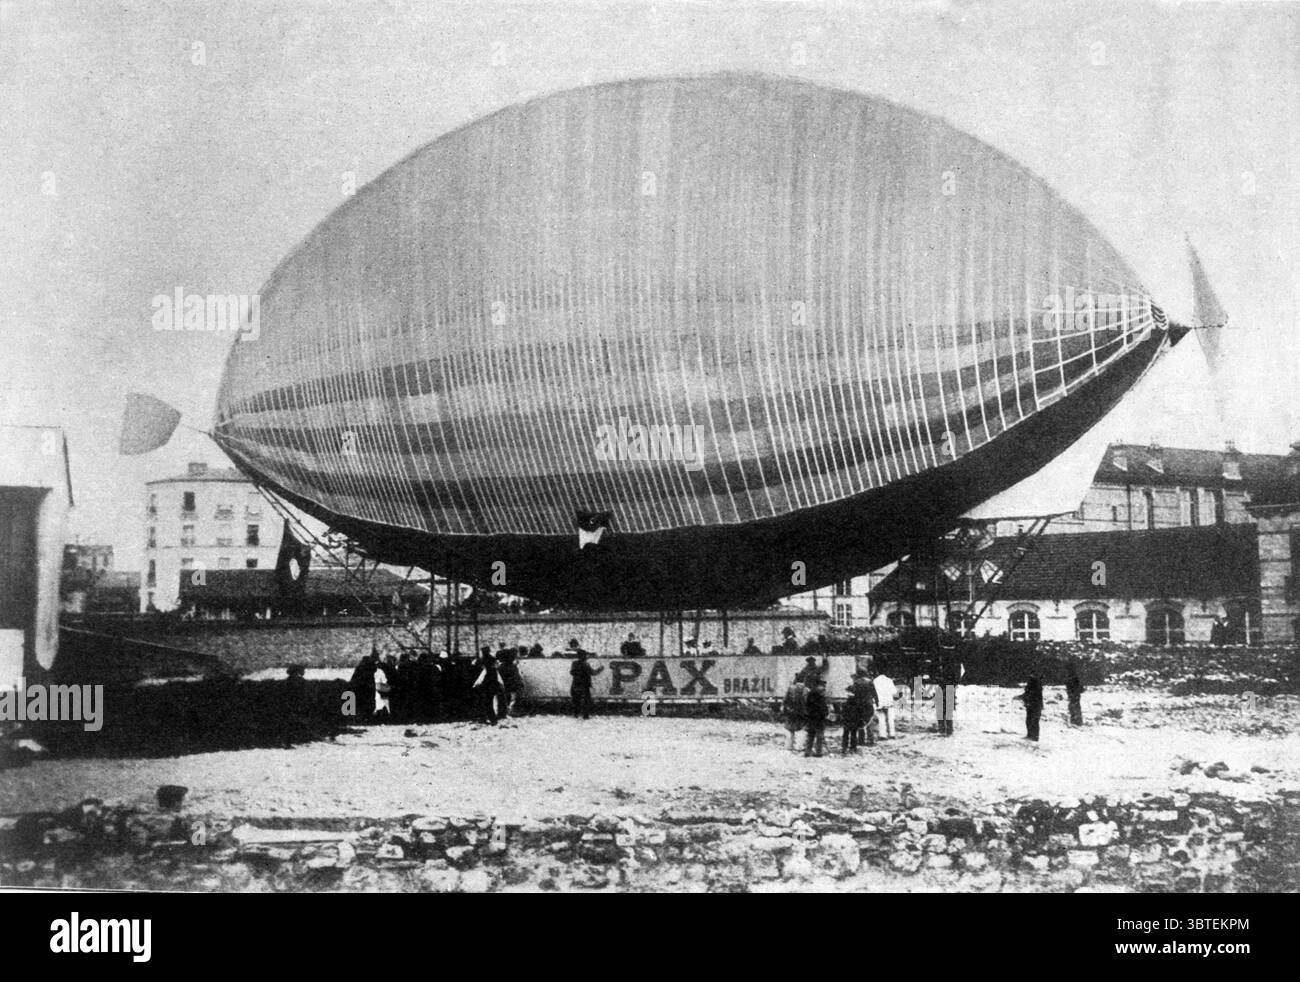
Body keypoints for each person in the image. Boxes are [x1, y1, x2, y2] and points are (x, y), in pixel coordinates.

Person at [473, 649, 504, 724]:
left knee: (486, 703)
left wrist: (475, 685)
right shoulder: (494, 670)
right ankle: (491, 719)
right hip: (493, 688)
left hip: (486, 688)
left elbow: (480, 680)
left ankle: (490, 719)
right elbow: (500, 680)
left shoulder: (486, 670)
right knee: (489, 703)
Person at [570, 650, 603, 719]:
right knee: (586, 701)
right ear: (583, 656)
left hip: (575, 684)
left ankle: (576, 715)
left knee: (576, 701)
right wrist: (600, 669)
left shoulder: (574, 663)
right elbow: (593, 673)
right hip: (584, 685)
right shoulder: (585, 664)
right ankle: (585, 716)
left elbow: (572, 672)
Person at [851, 670, 878, 746]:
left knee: (860, 721)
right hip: (869, 704)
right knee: (869, 722)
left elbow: (853, 692)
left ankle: (861, 740)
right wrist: (877, 701)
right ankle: (871, 740)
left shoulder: (856, 682)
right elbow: (874, 693)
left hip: (859, 705)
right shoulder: (870, 682)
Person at [348, 649, 377, 720]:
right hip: (365, 689)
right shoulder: (368, 669)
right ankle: (365, 716)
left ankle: (360, 716)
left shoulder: (360, 668)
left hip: (360, 688)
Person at [782, 675, 808, 751]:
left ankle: (788, 746)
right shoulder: (806, 690)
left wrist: (787, 711)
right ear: (804, 680)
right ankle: (799, 747)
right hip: (801, 714)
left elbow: (785, 701)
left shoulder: (790, 688)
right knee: (800, 730)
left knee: (790, 730)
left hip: (791, 713)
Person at [804, 679, 828, 757]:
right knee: (819, 736)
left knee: (810, 735)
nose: (824, 688)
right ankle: (818, 752)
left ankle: (807, 752)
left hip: (811, 718)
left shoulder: (810, 694)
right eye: (823, 686)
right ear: (819, 686)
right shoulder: (821, 696)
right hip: (819, 719)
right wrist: (826, 714)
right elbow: (823, 708)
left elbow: (806, 706)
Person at [873, 665, 898, 739]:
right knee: (890, 718)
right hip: (889, 701)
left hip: (880, 702)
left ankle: (882, 735)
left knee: (881, 719)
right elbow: (894, 692)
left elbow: (874, 692)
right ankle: (892, 734)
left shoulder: (875, 681)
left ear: (877, 672)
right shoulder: (889, 680)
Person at [499, 648, 524, 719]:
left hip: (506, 685)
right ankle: (510, 711)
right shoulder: (512, 667)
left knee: (508, 699)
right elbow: (516, 676)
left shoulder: (501, 667)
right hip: (512, 685)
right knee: (513, 698)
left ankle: (507, 711)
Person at [1016, 675, 1044, 741]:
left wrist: (1021, 697)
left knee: (1033, 721)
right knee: (1030, 721)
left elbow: (1029, 695)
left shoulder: (1035, 687)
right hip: (1032, 706)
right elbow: (1028, 694)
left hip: (1034, 706)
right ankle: (1030, 735)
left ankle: (1034, 737)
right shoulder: (1035, 687)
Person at [841, 685, 865, 755]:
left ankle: (844, 748)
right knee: (853, 734)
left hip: (847, 720)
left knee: (846, 734)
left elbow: (843, 712)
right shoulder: (858, 701)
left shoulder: (846, 702)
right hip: (855, 720)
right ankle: (853, 748)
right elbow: (861, 712)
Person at [1066, 662, 1085, 726]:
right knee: (1076, 708)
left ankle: (1075, 721)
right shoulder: (1075, 678)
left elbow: (1070, 688)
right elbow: (1080, 689)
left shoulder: (1069, 678)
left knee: (1073, 708)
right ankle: (1077, 722)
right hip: (1075, 696)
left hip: (1072, 696)